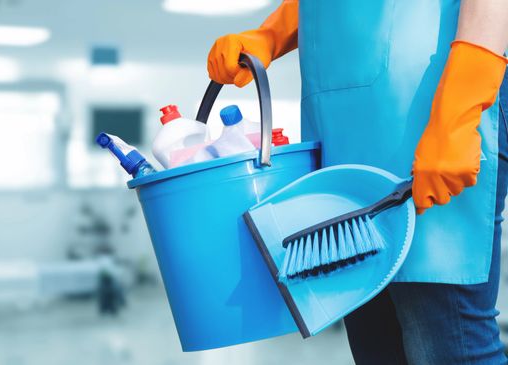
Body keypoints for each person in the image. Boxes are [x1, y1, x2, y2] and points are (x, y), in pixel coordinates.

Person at [207, 0, 508, 363]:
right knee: (374, 343)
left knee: (444, 339)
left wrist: (459, 112)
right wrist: (271, 34)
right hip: (343, 121)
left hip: (430, 99)